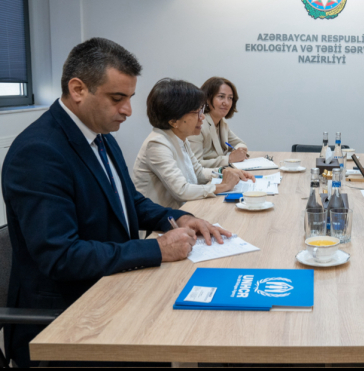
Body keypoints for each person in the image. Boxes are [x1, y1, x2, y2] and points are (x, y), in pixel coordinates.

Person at [1, 38, 230, 367]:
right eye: (117, 98)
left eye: (130, 98)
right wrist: (156, 249)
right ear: (78, 89)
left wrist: (177, 218)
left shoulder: (100, 136)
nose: (128, 110)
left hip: (112, 288)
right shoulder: (39, 152)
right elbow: (61, 256)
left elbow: (129, 202)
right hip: (67, 320)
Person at [133, 79, 255, 210]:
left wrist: (224, 171)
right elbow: (182, 191)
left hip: (182, 210)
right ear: (174, 121)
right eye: (197, 112)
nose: (202, 117)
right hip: (160, 219)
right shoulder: (157, 144)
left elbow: (198, 173)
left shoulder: (180, 138)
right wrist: (223, 186)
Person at [189, 77, 248, 168]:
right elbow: (195, 166)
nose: (226, 103)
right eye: (221, 97)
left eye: (230, 98)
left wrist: (238, 152)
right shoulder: (198, 125)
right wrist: (229, 159)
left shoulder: (221, 122)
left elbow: (240, 144)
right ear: (207, 99)